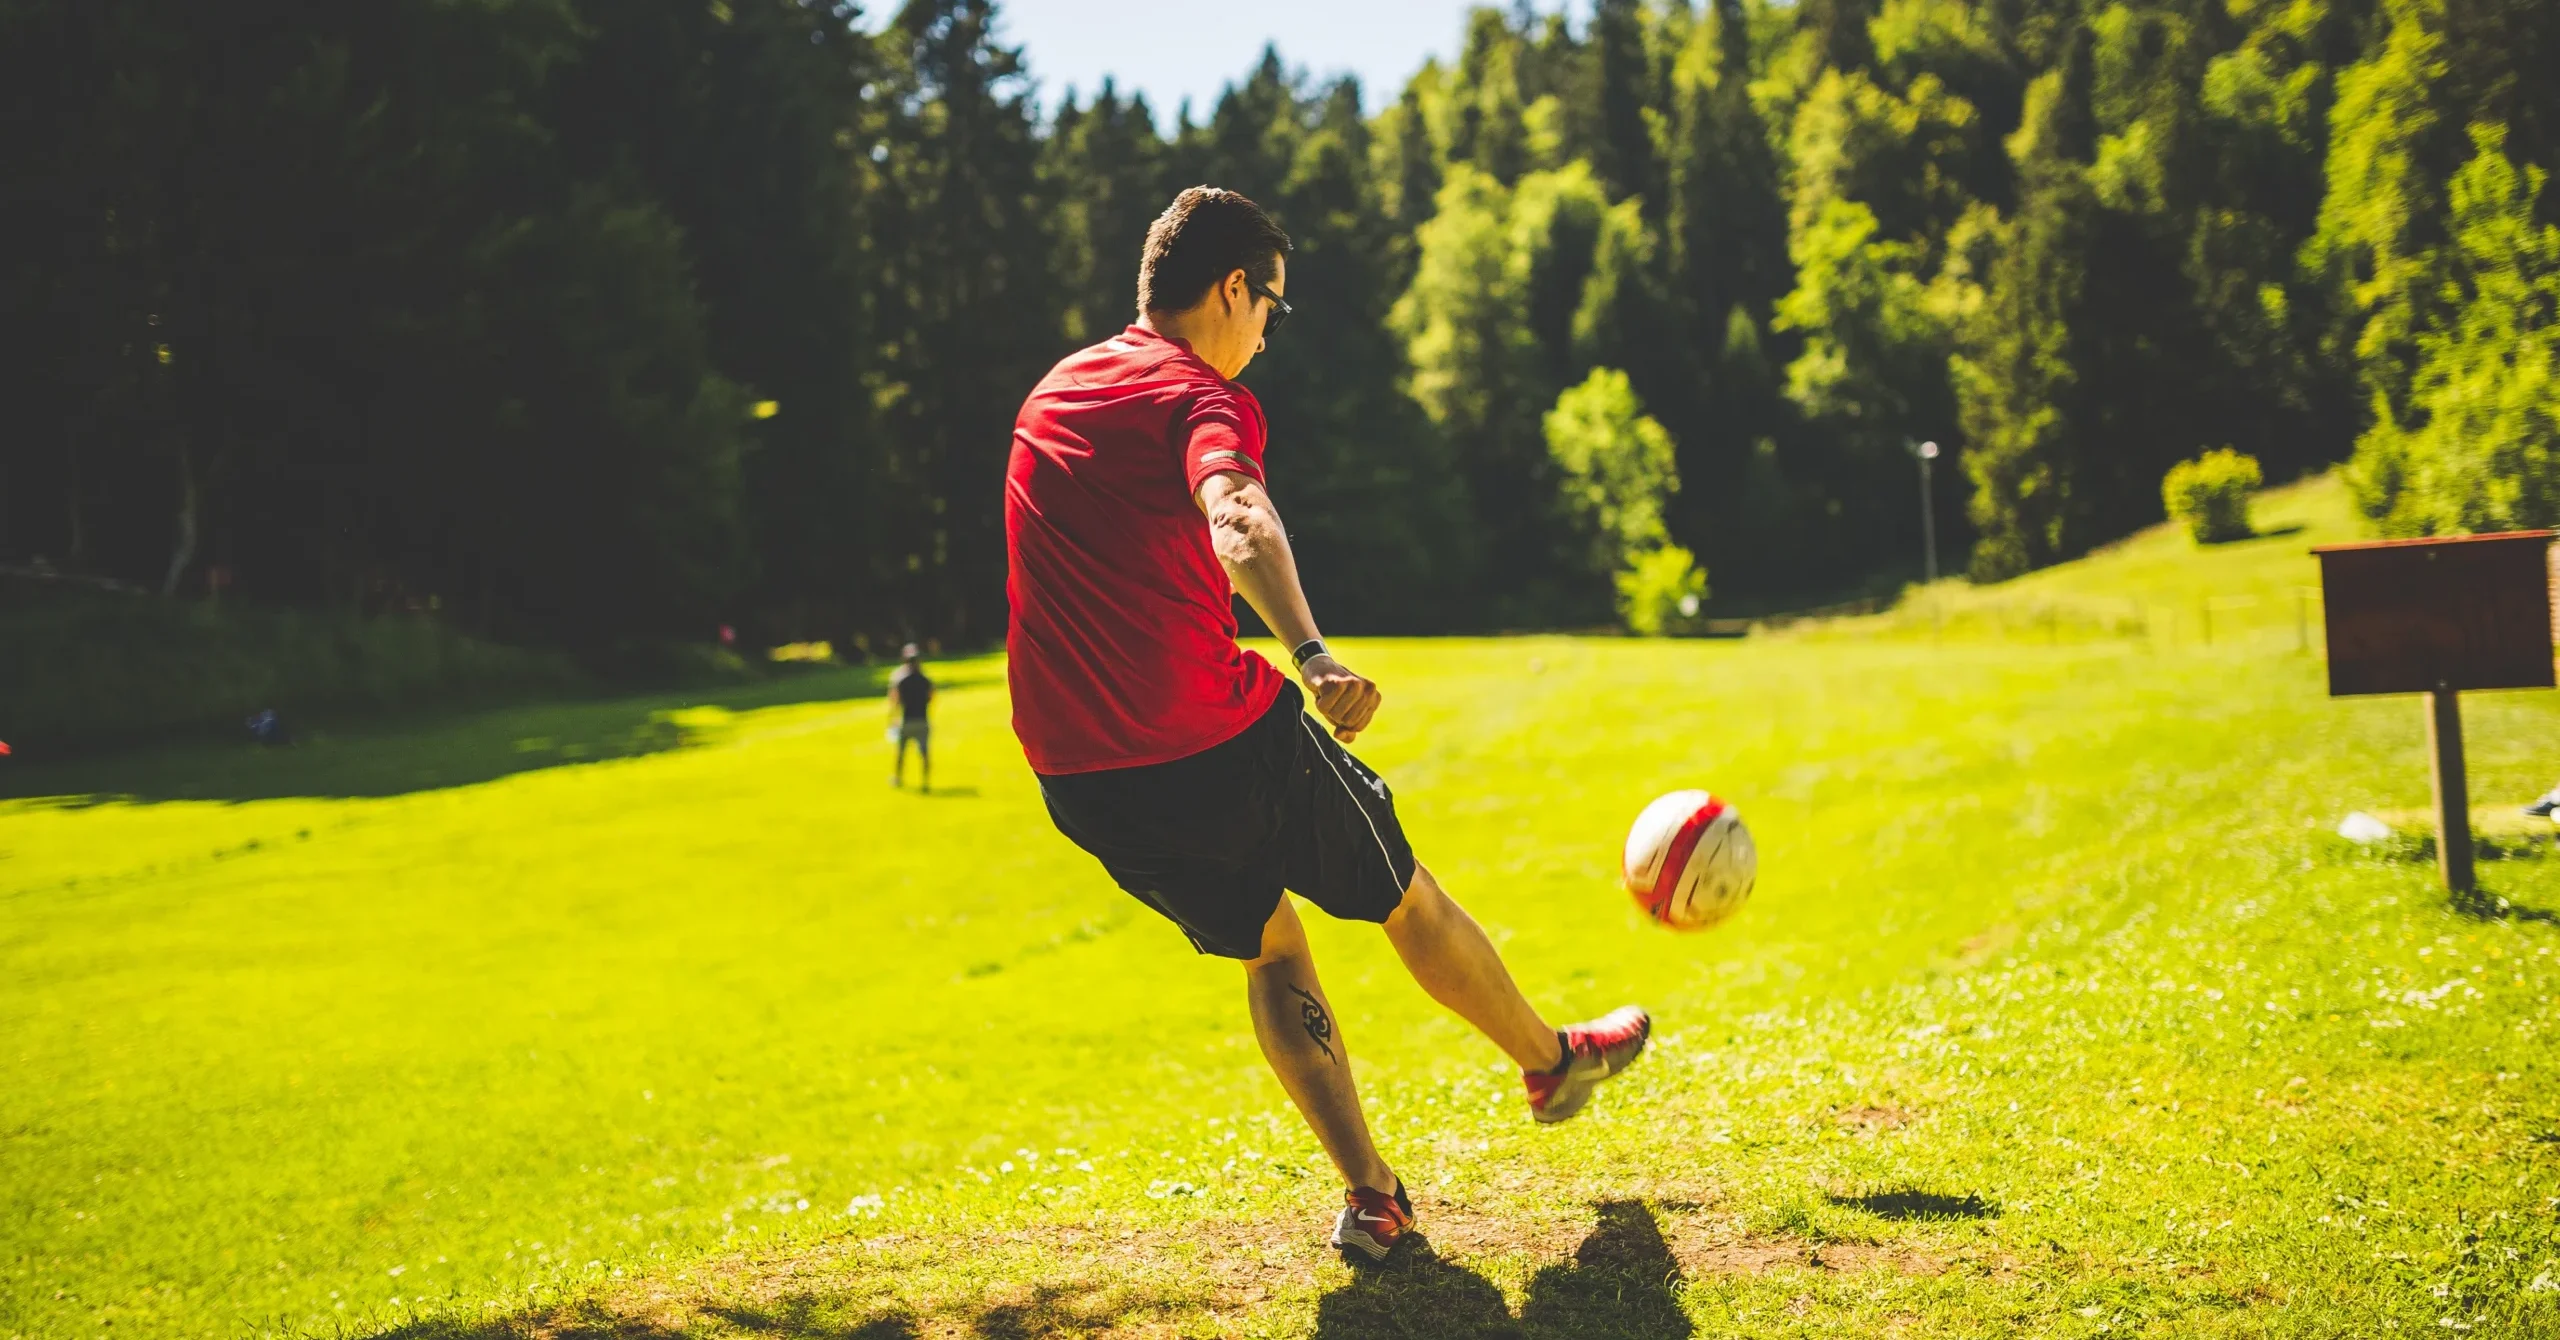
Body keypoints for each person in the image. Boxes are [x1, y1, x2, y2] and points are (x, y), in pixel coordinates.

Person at [1004, 186, 1650, 1264]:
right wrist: (1309, 650)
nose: (1267, 330)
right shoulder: (1200, 395)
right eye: (1271, 306)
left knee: (1269, 944)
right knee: (1401, 890)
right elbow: (1236, 512)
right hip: (1213, 740)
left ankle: (1373, 1196)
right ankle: (1549, 1060)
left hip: (1081, 777)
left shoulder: (1056, 389)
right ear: (1230, 288)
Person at [887, 644, 933, 792]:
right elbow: (931, 697)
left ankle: (898, 779)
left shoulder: (901, 680)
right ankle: (925, 782)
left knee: (901, 753)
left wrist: (893, 717)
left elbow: (895, 700)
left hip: (906, 720)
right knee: (924, 753)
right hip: (922, 719)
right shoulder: (925, 680)